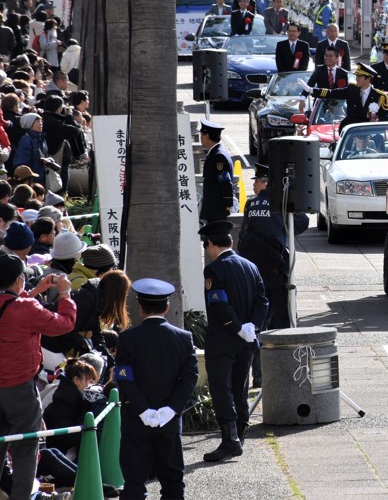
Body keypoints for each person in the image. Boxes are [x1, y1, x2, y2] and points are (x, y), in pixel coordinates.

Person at [0, 254, 76, 500]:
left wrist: (37, 289)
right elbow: (64, 324)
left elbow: (11, 308)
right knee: (26, 451)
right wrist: (65, 295)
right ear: (20, 280)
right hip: (20, 389)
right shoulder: (27, 308)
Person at [115, 278, 198, 500]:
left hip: (136, 419)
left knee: (134, 481)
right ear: (167, 307)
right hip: (169, 420)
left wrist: (143, 410)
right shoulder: (184, 338)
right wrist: (171, 409)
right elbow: (190, 377)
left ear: (140, 308)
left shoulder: (128, 339)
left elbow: (124, 378)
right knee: (172, 481)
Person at [200, 220, 268, 462]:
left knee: (221, 389)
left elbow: (219, 305)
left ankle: (230, 440)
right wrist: (252, 327)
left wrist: (238, 328)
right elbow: (262, 301)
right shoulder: (250, 266)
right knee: (241, 388)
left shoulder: (214, 270)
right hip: (247, 340)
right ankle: (239, 435)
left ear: (210, 244)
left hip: (224, 340)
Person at [238, 164, 290, 332]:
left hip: (255, 265)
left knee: (258, 307)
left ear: (266, 183)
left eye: (257, 182)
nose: (253, 186)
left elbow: (243, 233)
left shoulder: (251, 204)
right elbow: (301, 223)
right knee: (280, 310)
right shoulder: (281, 203)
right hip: (276, 265)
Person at [309, 63, 388, 130]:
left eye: (360, 77)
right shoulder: (352, 89)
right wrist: (312, 90)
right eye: (356, 76)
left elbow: (384, 120)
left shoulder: (380, 97)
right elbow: (332, 93)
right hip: (350, 132)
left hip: (369, 133)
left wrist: (375, 130)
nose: (357, 79)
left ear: (368, 79)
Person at [198, 120, 234, 223]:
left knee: (215, 237)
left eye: (201, 134)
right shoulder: (215, 153)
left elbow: (225, 181)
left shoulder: (218, 156)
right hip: (215, 210)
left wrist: (229, 204)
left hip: (217, 211)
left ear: (207, 136)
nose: (200, 137)